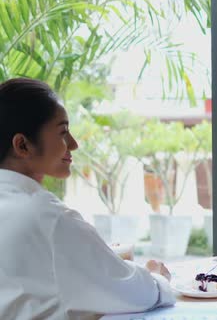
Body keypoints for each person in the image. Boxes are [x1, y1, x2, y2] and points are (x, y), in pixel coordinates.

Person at [0, 78, 176, 319]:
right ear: (22, 145)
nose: (73, 144)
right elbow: (133, 293)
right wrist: (157, 279)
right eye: (63, 132)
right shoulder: (47, 217)